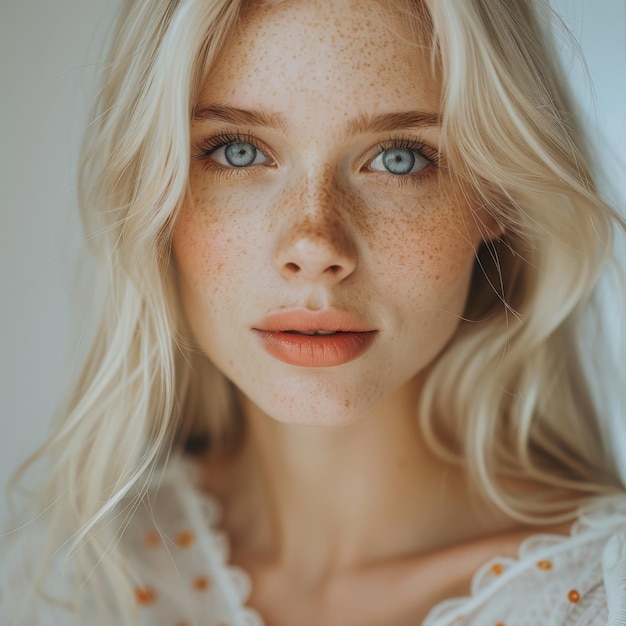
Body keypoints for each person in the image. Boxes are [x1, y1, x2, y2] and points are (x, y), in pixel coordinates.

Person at [2, 0, 626, 624]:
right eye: (238, 151)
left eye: (399, 158)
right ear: (155, 195)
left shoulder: (605, 594)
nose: (314, 246)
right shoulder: (74, 577)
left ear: (497, 196)